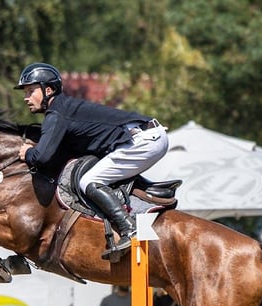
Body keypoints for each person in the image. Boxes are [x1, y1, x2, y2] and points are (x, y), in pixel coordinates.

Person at [15, 62, 169, 260]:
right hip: (148, 136)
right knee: (101, 172)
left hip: (143, 141)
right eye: (25, 92)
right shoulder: (63, 109)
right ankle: (145, 194)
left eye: (30, 91)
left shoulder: (57, 114)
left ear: (49, 90)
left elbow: (42, 158)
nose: (26, 98)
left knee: (88, 181)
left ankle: (129, 228)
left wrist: (28, 152)